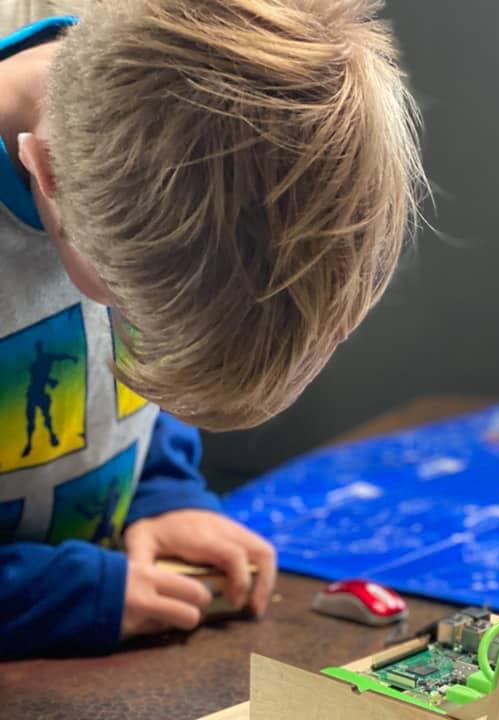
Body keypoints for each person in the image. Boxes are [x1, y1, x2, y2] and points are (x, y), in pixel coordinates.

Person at [0, 2, 423, 657]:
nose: (130, 334)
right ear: (46, 173)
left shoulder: (124, 150)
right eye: (136, 320)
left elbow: (134, 374)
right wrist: (55, 597)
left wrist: (163, 495)